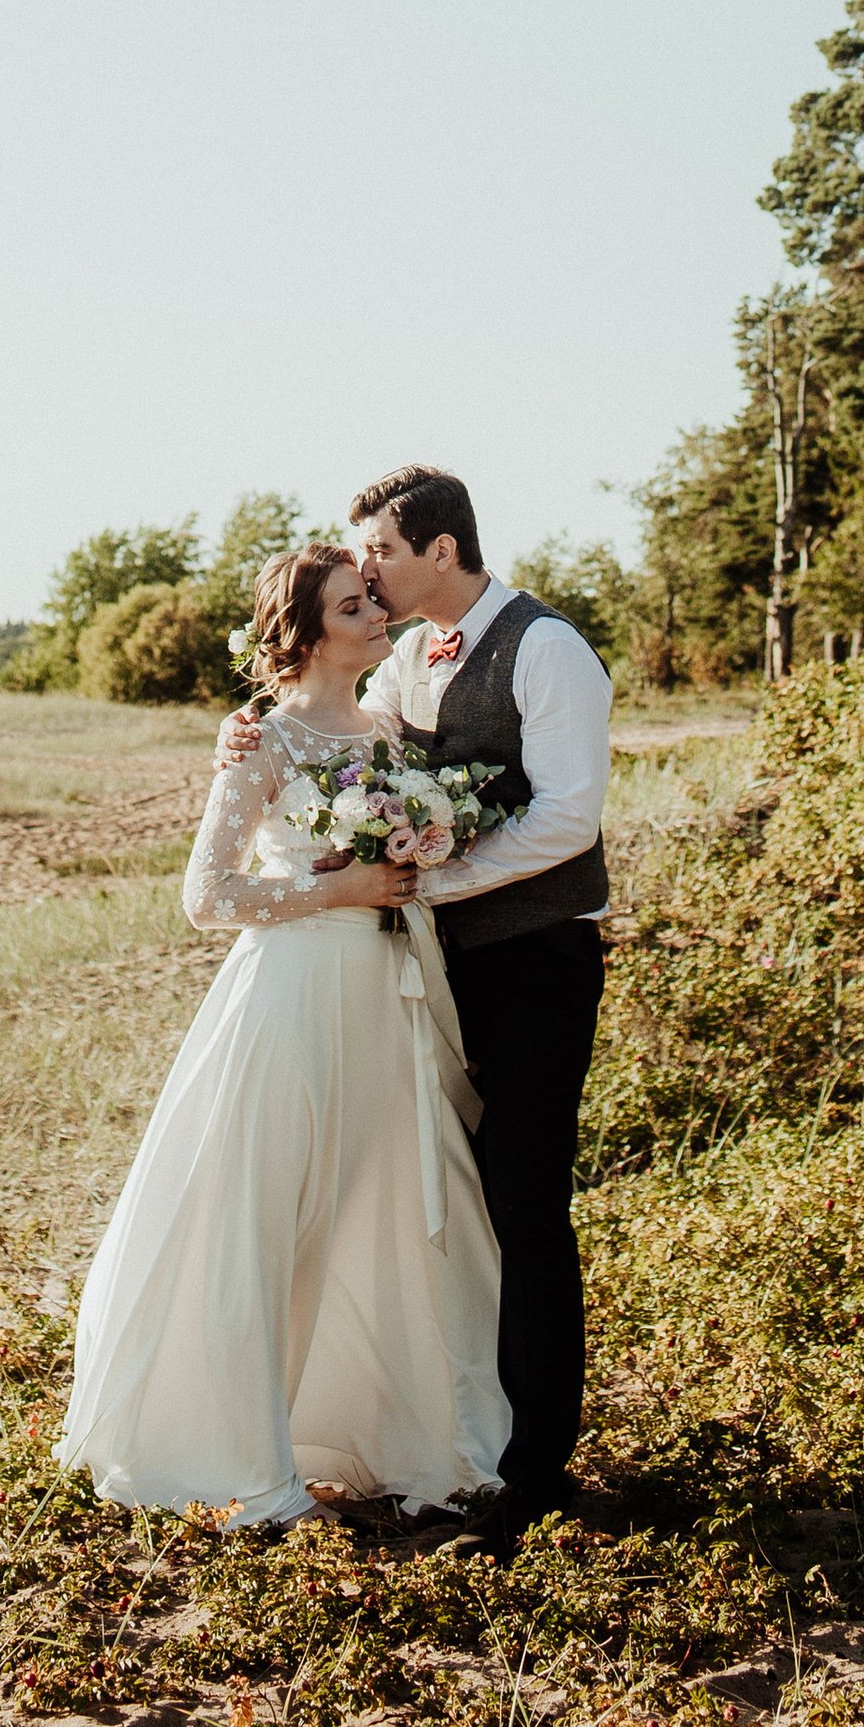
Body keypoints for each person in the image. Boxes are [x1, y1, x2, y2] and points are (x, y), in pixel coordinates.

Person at [57, 544, 510, 1528]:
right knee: (264, 1215)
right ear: (304, 633)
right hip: (294, 995)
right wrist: (338, 888)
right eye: (354, 607)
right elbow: (205, 896)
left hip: (384, 997)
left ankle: (390, 1431)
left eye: (370, 601)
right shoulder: (261, 741)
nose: (375, 617)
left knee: (389, 1209)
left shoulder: (388, 724)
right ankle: (241, 1452)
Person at [216, 465, 613, 1542]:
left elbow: (569, 818)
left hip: (535, 965)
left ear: (440, 551)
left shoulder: (547, 648)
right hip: (421, 977)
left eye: (381, 555)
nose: (370, 577)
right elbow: (338, 742)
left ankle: (534, 1470)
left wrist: (431, 878)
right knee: (444, 1199)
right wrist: (251, 736)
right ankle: (447, 1423)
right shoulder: (406, 672)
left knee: (525, 1206)